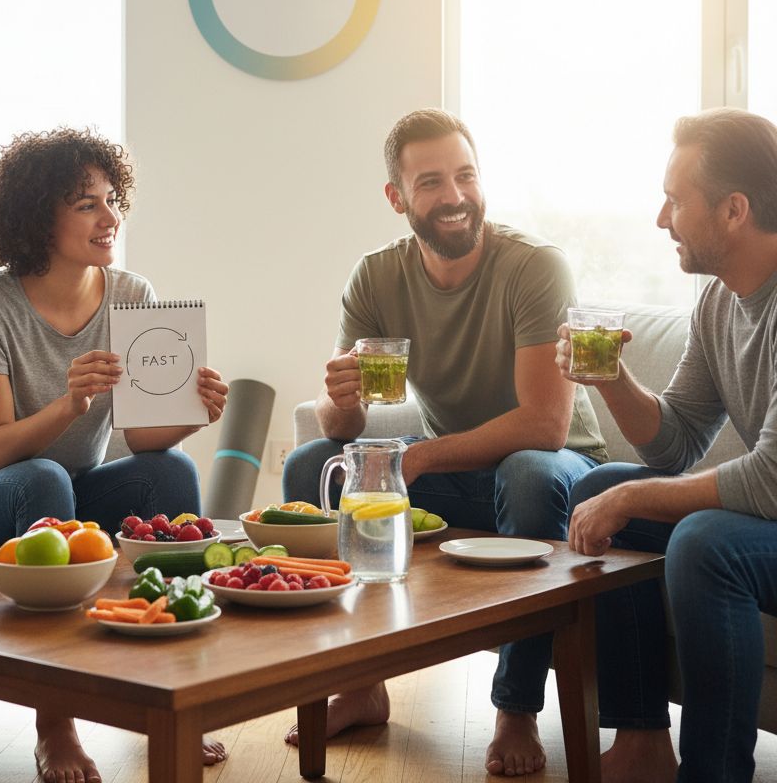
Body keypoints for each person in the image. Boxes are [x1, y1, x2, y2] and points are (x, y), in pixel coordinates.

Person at [282, 108, 607, 776]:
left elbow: (544, 423)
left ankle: (515, 708)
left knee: (527, 471)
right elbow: (342, 423)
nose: (455, 197)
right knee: (313, 463)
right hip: (462, 474)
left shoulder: (534, 267)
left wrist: (417, 457)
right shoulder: (376, 277)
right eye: (431, 182)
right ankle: (358, 683)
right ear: (396, 198)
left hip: (557, 473)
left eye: (465, 175)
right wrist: (335, 400)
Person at [0, 126, 229, 783]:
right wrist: (70, 404)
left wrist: (190, 415)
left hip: (77, 481)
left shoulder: (131, 294)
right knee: (42, 482)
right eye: (86, 203)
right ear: (40, 218)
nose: (109, 217)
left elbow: (144, 440)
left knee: (172, 472)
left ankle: (177, 694)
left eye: (110, 199)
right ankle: (56, 722)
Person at [560, 108, 777, 783]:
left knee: (706, 542)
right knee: (599, 487)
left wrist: (634, 495)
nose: (662, 219)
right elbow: (677, 441)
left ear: (734, 210)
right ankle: (642, 739)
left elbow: (772, 479)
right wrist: (612, 378)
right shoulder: (720, 302)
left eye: (676, 202)